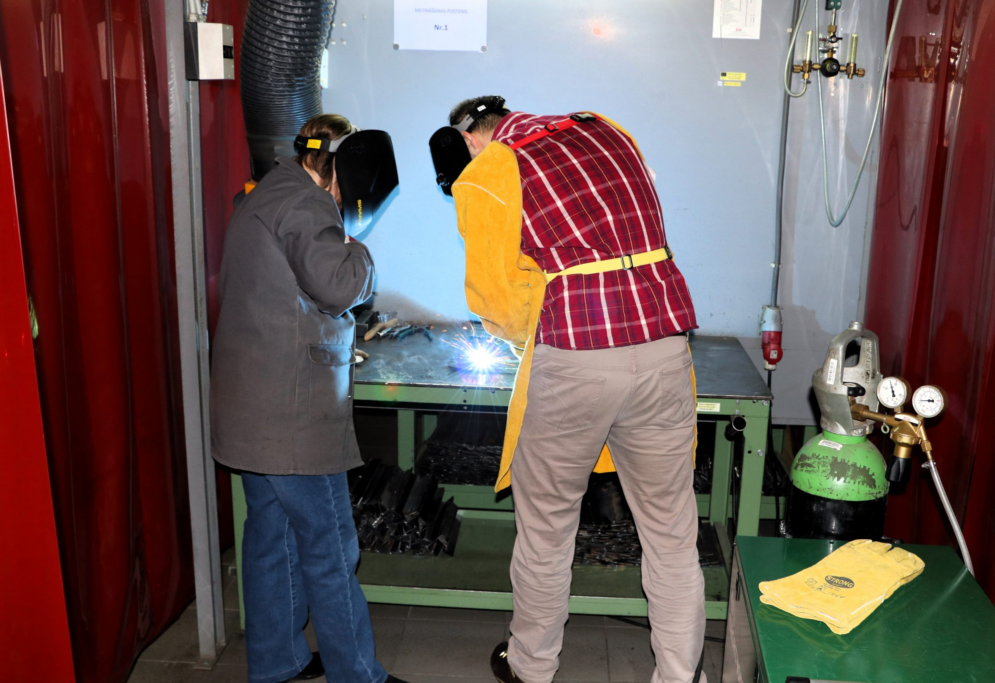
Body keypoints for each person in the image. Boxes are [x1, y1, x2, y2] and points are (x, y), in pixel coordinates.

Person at [445, 97, 706, 683]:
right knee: (671, 533)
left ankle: (531, 667)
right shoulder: (604, 126)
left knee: (547, 528)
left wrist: (524, 332)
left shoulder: (490, 167)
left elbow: (495, 299)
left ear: (470, 139)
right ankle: (680, 675)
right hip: (664, 345)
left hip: (578, 355)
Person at [211, 113, 404, 683]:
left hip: (253, 410)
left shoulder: (269, 191)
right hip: (291, 417)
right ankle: (358, 674)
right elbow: (338, 286)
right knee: (331, 548)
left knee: (271, 539)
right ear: (339, 170)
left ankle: (278, 662)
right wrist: (361, 253)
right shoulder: (306, 203)